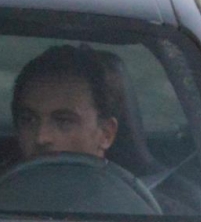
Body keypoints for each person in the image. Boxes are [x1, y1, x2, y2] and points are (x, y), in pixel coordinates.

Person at [8, 44, 152, 168]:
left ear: (106, 134)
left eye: (63, 121)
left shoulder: (132, 200)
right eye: (29, 120)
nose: (41, 138)